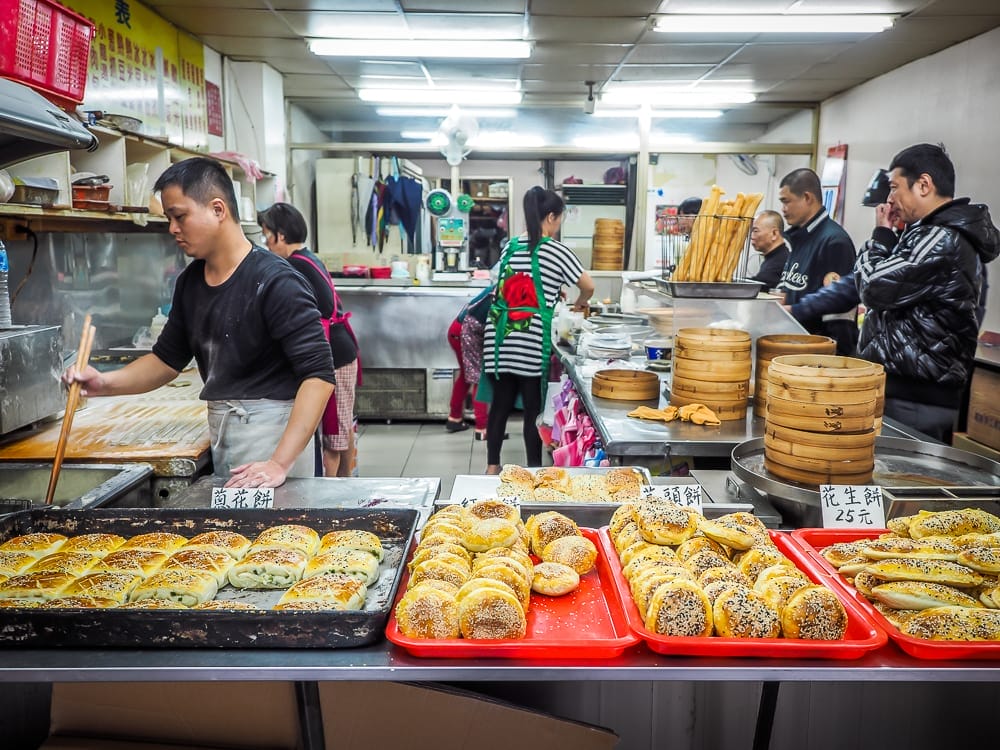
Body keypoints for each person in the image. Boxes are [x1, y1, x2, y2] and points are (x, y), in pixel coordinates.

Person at [63, 157, 335, 488]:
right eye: (169, 219)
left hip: (278, 442)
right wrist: (105, 383)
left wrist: (279, 463)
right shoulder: (191, 282)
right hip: (229, 434)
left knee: (282, 538)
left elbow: (319, 377)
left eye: (180, 216)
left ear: (218, 210)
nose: (173, 229)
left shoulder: (275, 282)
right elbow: (166, 360)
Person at [856, 143, 999, 442]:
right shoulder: (931, 234)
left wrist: (881, 235)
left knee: (904, 483)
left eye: (894, 188)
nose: (890, 199)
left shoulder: (940, 238)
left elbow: (873, 287)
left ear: (923, 184)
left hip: (915, 398)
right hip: (911, 393)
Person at [482, 186, 595, 474]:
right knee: (533, 410)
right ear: (551, 217)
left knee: (500, 406)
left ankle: (492, 466)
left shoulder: (511, 245)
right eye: (560, 219)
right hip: (531, 339)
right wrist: (581, 304)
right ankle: (533, 471)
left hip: (500, 337)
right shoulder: (556, 250)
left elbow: (503, 288)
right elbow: (588, 286)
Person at [258, 202, 360, 477]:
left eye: (266, 235)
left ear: (280, 235)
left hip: (332, 356)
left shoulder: (293, 267)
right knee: (342, 427)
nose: (266, 243)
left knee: (332, 438)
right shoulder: (308, 257)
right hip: (341, 351)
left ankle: (334, 499)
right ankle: (348, 488)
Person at [776, 167, 858, 354]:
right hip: (796, 343)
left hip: (820, 352)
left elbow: (839, 306)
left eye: (786, 201)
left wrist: (795, 310)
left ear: (807, 198)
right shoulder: (799, 238)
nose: (783, 209)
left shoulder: (834, 240)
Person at [446, 286, 492, 439]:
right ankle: (482, 428)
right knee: (479, 377)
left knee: (467, 376)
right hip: (464, 334)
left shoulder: (495, 287)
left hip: (456, 330)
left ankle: (454, 418)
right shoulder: (503, 293)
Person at [747, 210, 790, 291]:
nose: (751, 237)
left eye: (755, 231)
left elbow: (758, 285)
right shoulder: (773, 258)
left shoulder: (780, 261)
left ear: (774, 233)